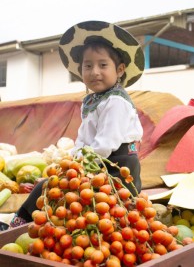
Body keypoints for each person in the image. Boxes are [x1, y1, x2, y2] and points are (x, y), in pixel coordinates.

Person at [10, 20, 144, 227]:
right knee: (50, 186)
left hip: (118, 167)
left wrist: (77, 163)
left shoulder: (116, 101)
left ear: (119, 69)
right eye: (88, 66)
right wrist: (71, 159)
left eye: (103, 65)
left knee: (77, 198)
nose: (94, 72)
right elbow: (83, 139)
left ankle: (21, 222)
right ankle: (21, 222)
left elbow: (105, 144)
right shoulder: (91, 101)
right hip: (96, 164)